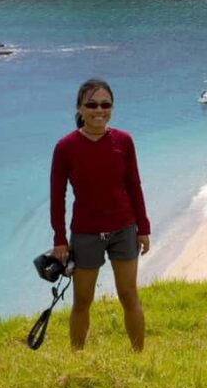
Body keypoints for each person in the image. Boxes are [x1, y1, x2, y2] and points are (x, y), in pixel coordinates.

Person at [50, 78, 151, 351]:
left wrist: (143, 228)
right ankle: (76, 358)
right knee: (82, 300)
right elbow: (57, 196)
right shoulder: (65, 147)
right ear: (80, 108)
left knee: (129, 295)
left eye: (105, 104)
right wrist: (60, 238)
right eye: (91, 104)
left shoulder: (124, 141)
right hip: (85, 233)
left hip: (124, 228)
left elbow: (134, 186)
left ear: (112, 107)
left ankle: (139, 356)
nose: (99, 110)